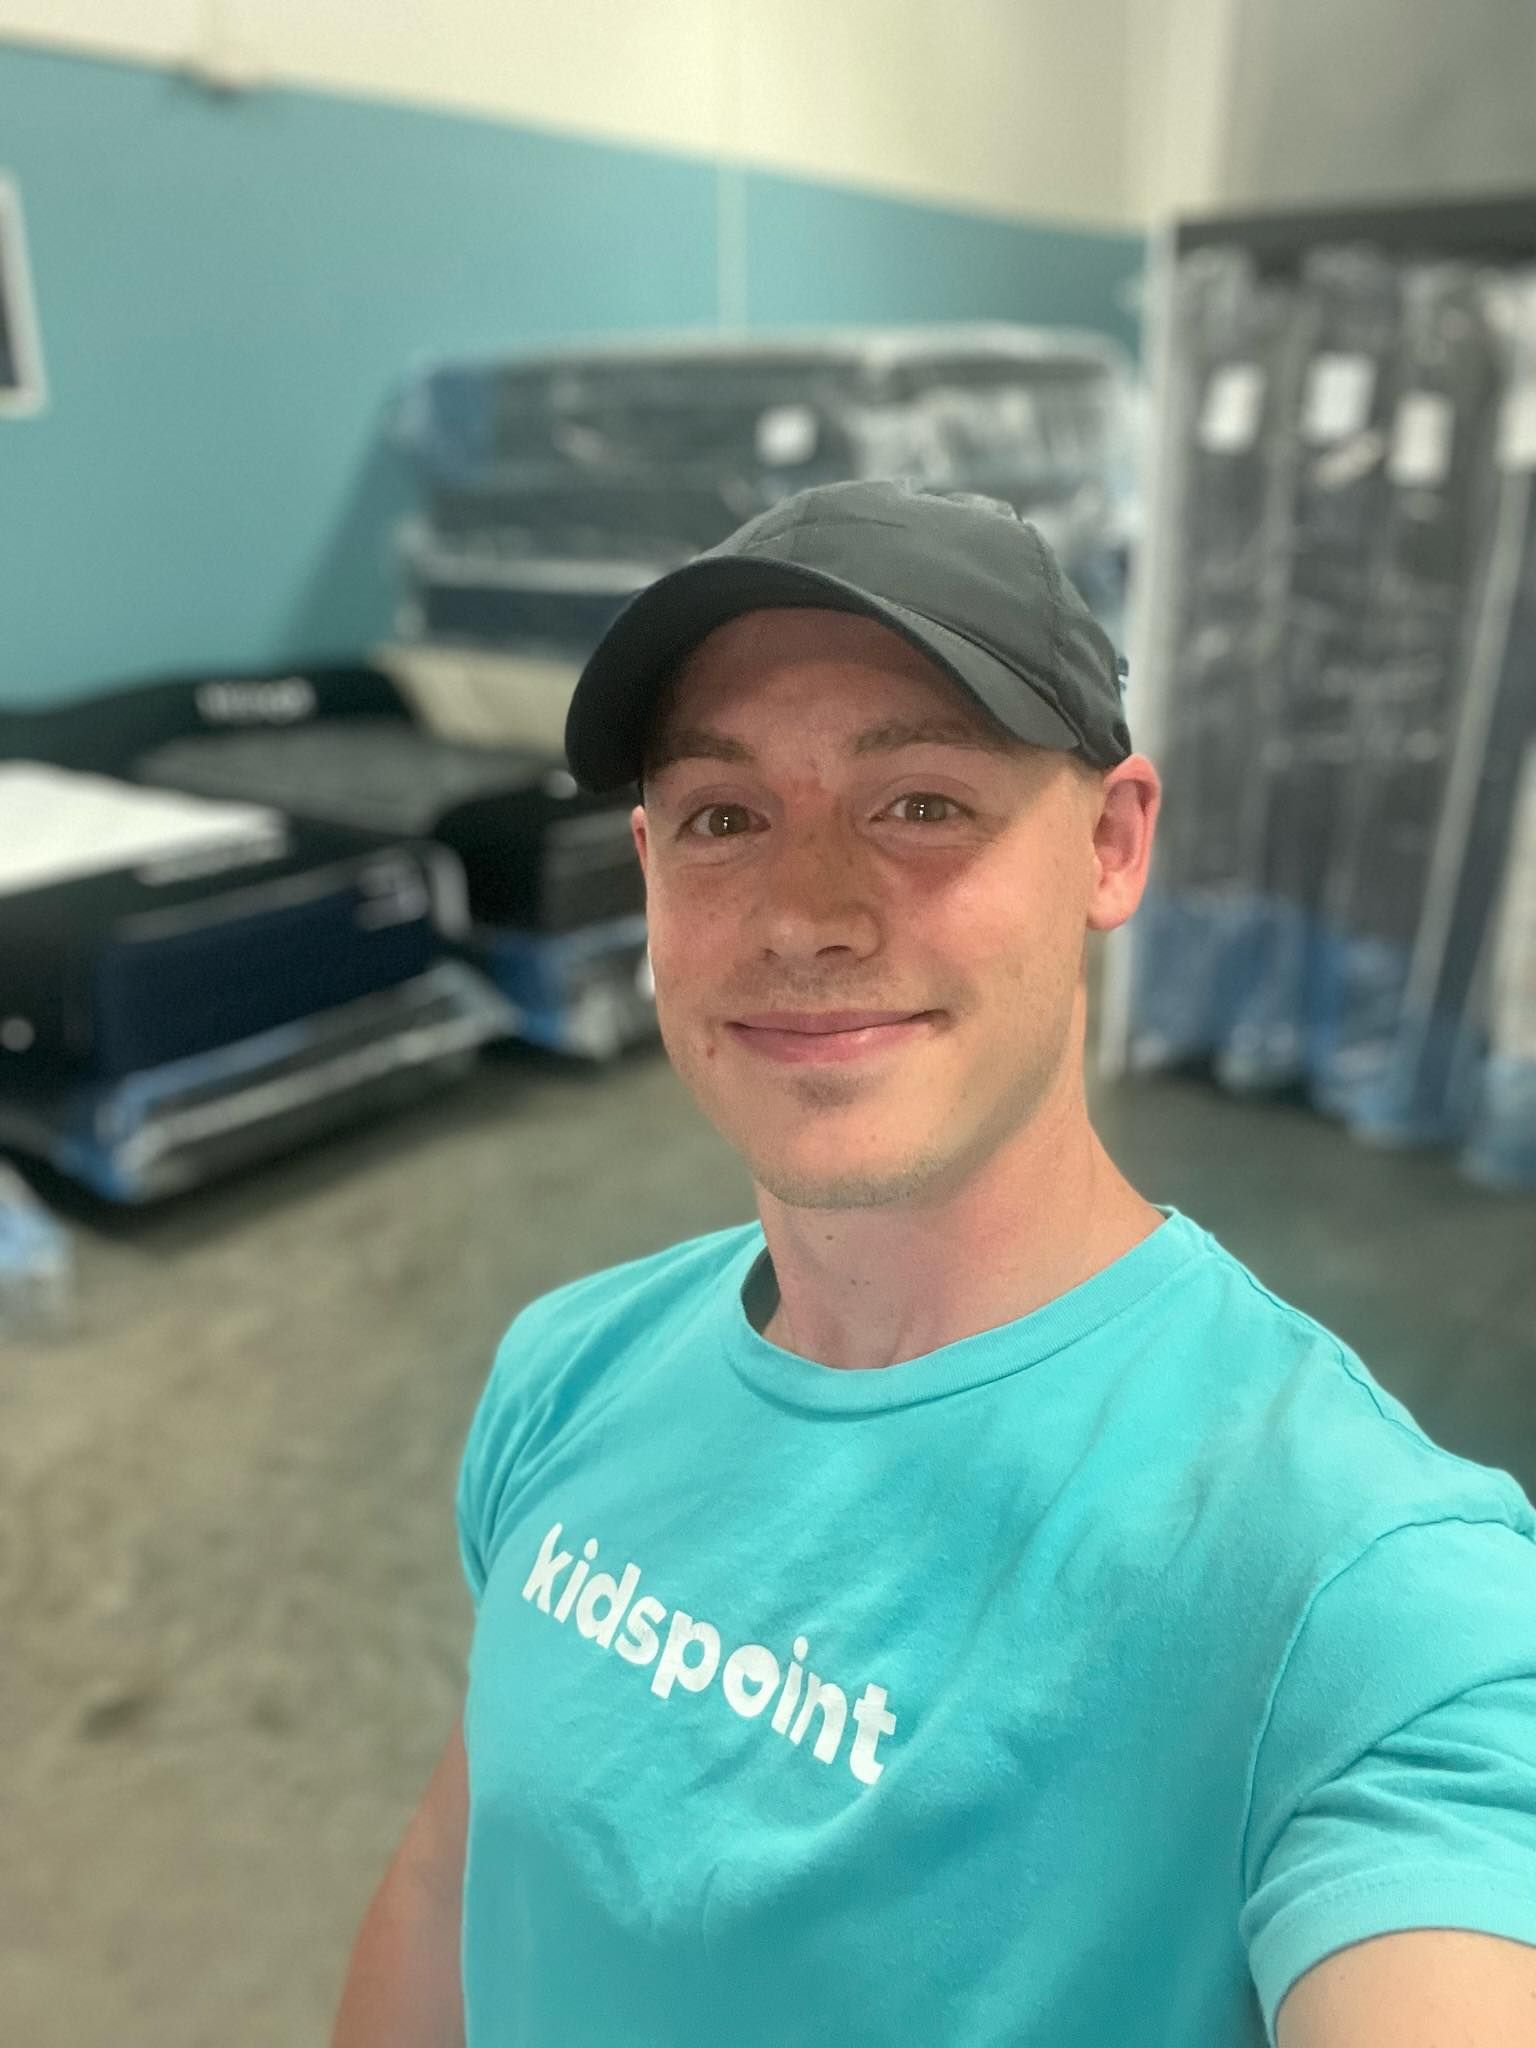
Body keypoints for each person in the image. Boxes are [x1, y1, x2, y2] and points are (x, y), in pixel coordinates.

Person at [333, 482, 1536, 2048]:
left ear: (1111, 845)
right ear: (649, 869)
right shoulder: (567, 1368)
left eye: (920, 805)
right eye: (723, 818)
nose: (805, 916)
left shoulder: (1362, 1591)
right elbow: (457, 1881)